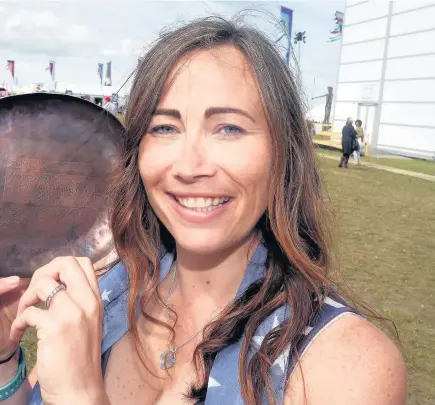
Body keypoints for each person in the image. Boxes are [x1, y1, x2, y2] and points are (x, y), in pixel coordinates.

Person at [0, 17, 406, 405]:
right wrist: (4, 359)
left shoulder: (346, 365)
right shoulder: (112, 289)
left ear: (283, 153)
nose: (190, 166)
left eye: (228, 128)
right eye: (164, 128)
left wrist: (81, 398)